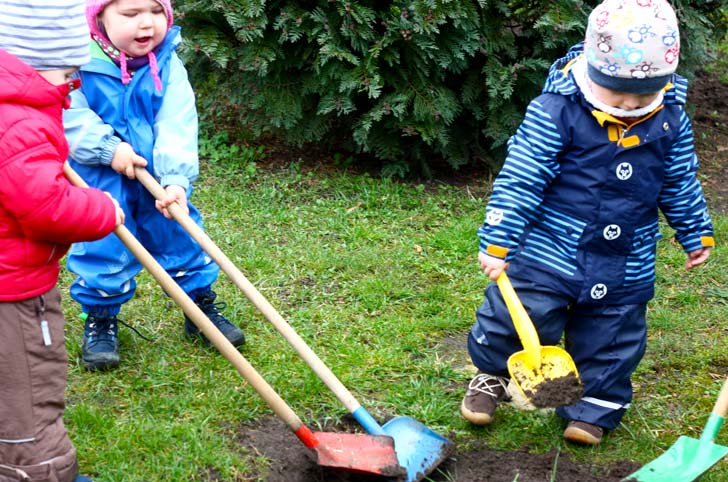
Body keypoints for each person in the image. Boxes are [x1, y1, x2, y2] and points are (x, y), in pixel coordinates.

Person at [460, 0, 714, 446]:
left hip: (626, 257)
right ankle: (491, 375)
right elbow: (521, 177)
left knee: (613, 332)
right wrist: (498, 241)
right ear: (592, 73)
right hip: (549, 248)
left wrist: (694, 230)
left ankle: (594, 405)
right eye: (617, 96)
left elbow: (679, 179)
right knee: (520, 314)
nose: (630, 106)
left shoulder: (671, 118)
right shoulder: (557, 110)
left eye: (643, 97)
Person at [63, 0, 246, 371]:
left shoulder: (166, 61)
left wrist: (175, 179)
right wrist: (107, 148)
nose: (147, 24)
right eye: (130, 15)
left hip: (156, 172)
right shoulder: (76, 58)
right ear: (98, 16)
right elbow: (66, 111)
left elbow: (177, 118)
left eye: (156, 12)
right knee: (104, 243)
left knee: (178, 233)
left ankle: (198, 306)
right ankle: (100, 318)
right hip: (99, 175)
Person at [0, 1, 125, 480]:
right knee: (29, 390)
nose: (71, 91)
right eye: (70, 76)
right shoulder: (23, 125)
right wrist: (101, 209)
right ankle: (43, 470)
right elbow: (45, 208)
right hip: (14, 295)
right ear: (34, 67)